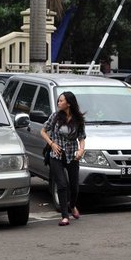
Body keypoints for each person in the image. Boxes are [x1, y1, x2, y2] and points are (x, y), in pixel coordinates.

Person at [41, 91, 86, 226]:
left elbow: (82, 137)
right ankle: (65, 216)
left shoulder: (78, 119)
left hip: (72, 155)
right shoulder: (55, 116)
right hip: (56, 155)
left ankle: (72, 206)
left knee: (75, 187)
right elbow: (43, 131)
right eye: (58, 101)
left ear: (69, 103)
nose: (58, 103)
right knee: (61, 185)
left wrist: (81, 150)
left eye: (61, 101)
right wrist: (52, 144)